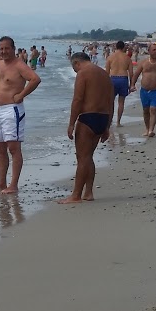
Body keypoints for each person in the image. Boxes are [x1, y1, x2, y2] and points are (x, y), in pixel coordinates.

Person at [0, 35, 40, 194]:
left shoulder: (19, 65)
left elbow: (35, 79)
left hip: (12, 110)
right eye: (1, 48)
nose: (4, 51)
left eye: (7, 48)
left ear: (13, 48)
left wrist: (21, 95)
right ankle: (1, 182)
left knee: (13, 147)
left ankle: (13, 184)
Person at [59, 52, 114, 204]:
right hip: (102, 118)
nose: (76, 71)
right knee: (88, 156)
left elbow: (77, 99)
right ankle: (88, 192)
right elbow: (111, 102)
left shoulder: (83, 73)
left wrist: (71, 123)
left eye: (75, 68)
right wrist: (107, 126)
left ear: (76, 63)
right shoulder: (104, 74)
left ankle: (76, 195)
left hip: (88, 118)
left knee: (82, 157)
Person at [106, 40, 133, 126]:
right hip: (123, 79)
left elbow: (106, 73)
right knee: (121, 102)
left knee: (111, 102)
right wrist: (131, 84)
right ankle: (118, 122)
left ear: (116, 47)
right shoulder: (127, 58)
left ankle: (109, 122)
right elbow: (131, 73)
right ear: (123, 47)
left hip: (112, 79)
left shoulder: (110, 57)